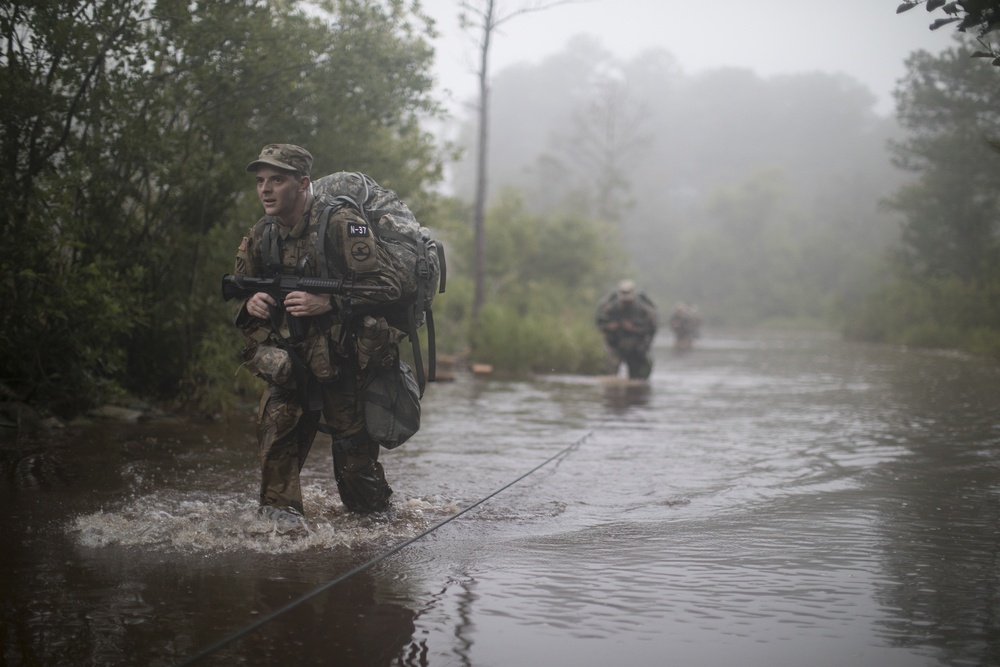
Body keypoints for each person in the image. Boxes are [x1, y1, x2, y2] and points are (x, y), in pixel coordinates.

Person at [231, 143, 405, 530]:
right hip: (288, 363)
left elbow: (387, 286)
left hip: (343, 363)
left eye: (277, 180)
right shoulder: (261, 234)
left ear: (303, 183)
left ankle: (376, 528)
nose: (266, 190)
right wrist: (251, 304)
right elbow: (238, 292)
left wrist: (329, 302)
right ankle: (282, 530)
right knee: (276, 444)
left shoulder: (341, 224)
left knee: (359, 482)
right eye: (261, 181)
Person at [595, 279, 658, 380]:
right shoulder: (610, 307)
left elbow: (651, 328)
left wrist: (633, 328)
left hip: (635, 347)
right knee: (609, 373)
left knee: (638, 377)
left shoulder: (643, 308)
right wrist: (610, 326)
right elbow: (599, 323)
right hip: (615, 344)